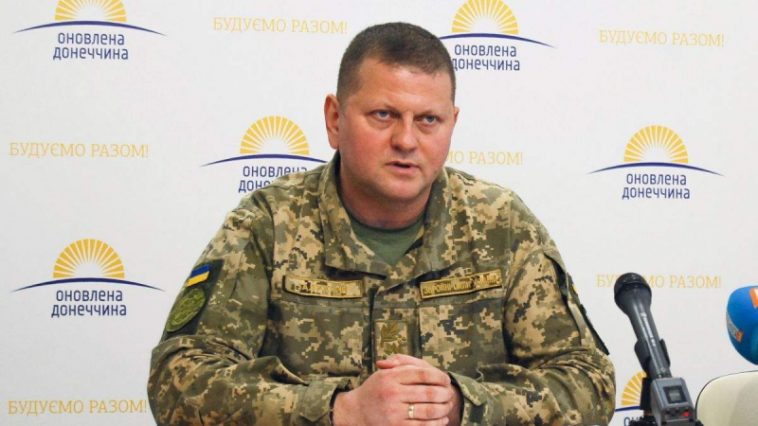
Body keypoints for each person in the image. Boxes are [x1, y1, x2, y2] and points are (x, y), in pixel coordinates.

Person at [148, 22, 615, 425]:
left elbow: (589, 380)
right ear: (335, 120)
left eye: (428, 119)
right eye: (384, 115)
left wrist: (462, 405)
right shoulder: (270, 224)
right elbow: (177, 380)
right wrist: (339, 411)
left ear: (452, 124)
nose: (406, 140)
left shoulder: (500, 224)